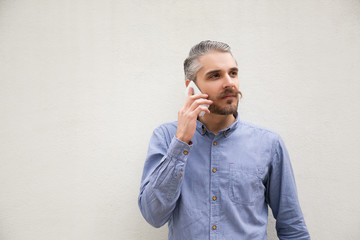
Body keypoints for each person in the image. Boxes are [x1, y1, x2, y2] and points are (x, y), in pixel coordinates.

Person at [138, 40, 310, 240]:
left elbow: (292, 226)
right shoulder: (167, 137)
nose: (229, 83)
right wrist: (181, 142)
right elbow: (153, 215)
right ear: (191, 87)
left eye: (233, 73)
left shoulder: (269, 144)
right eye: (215, 75)